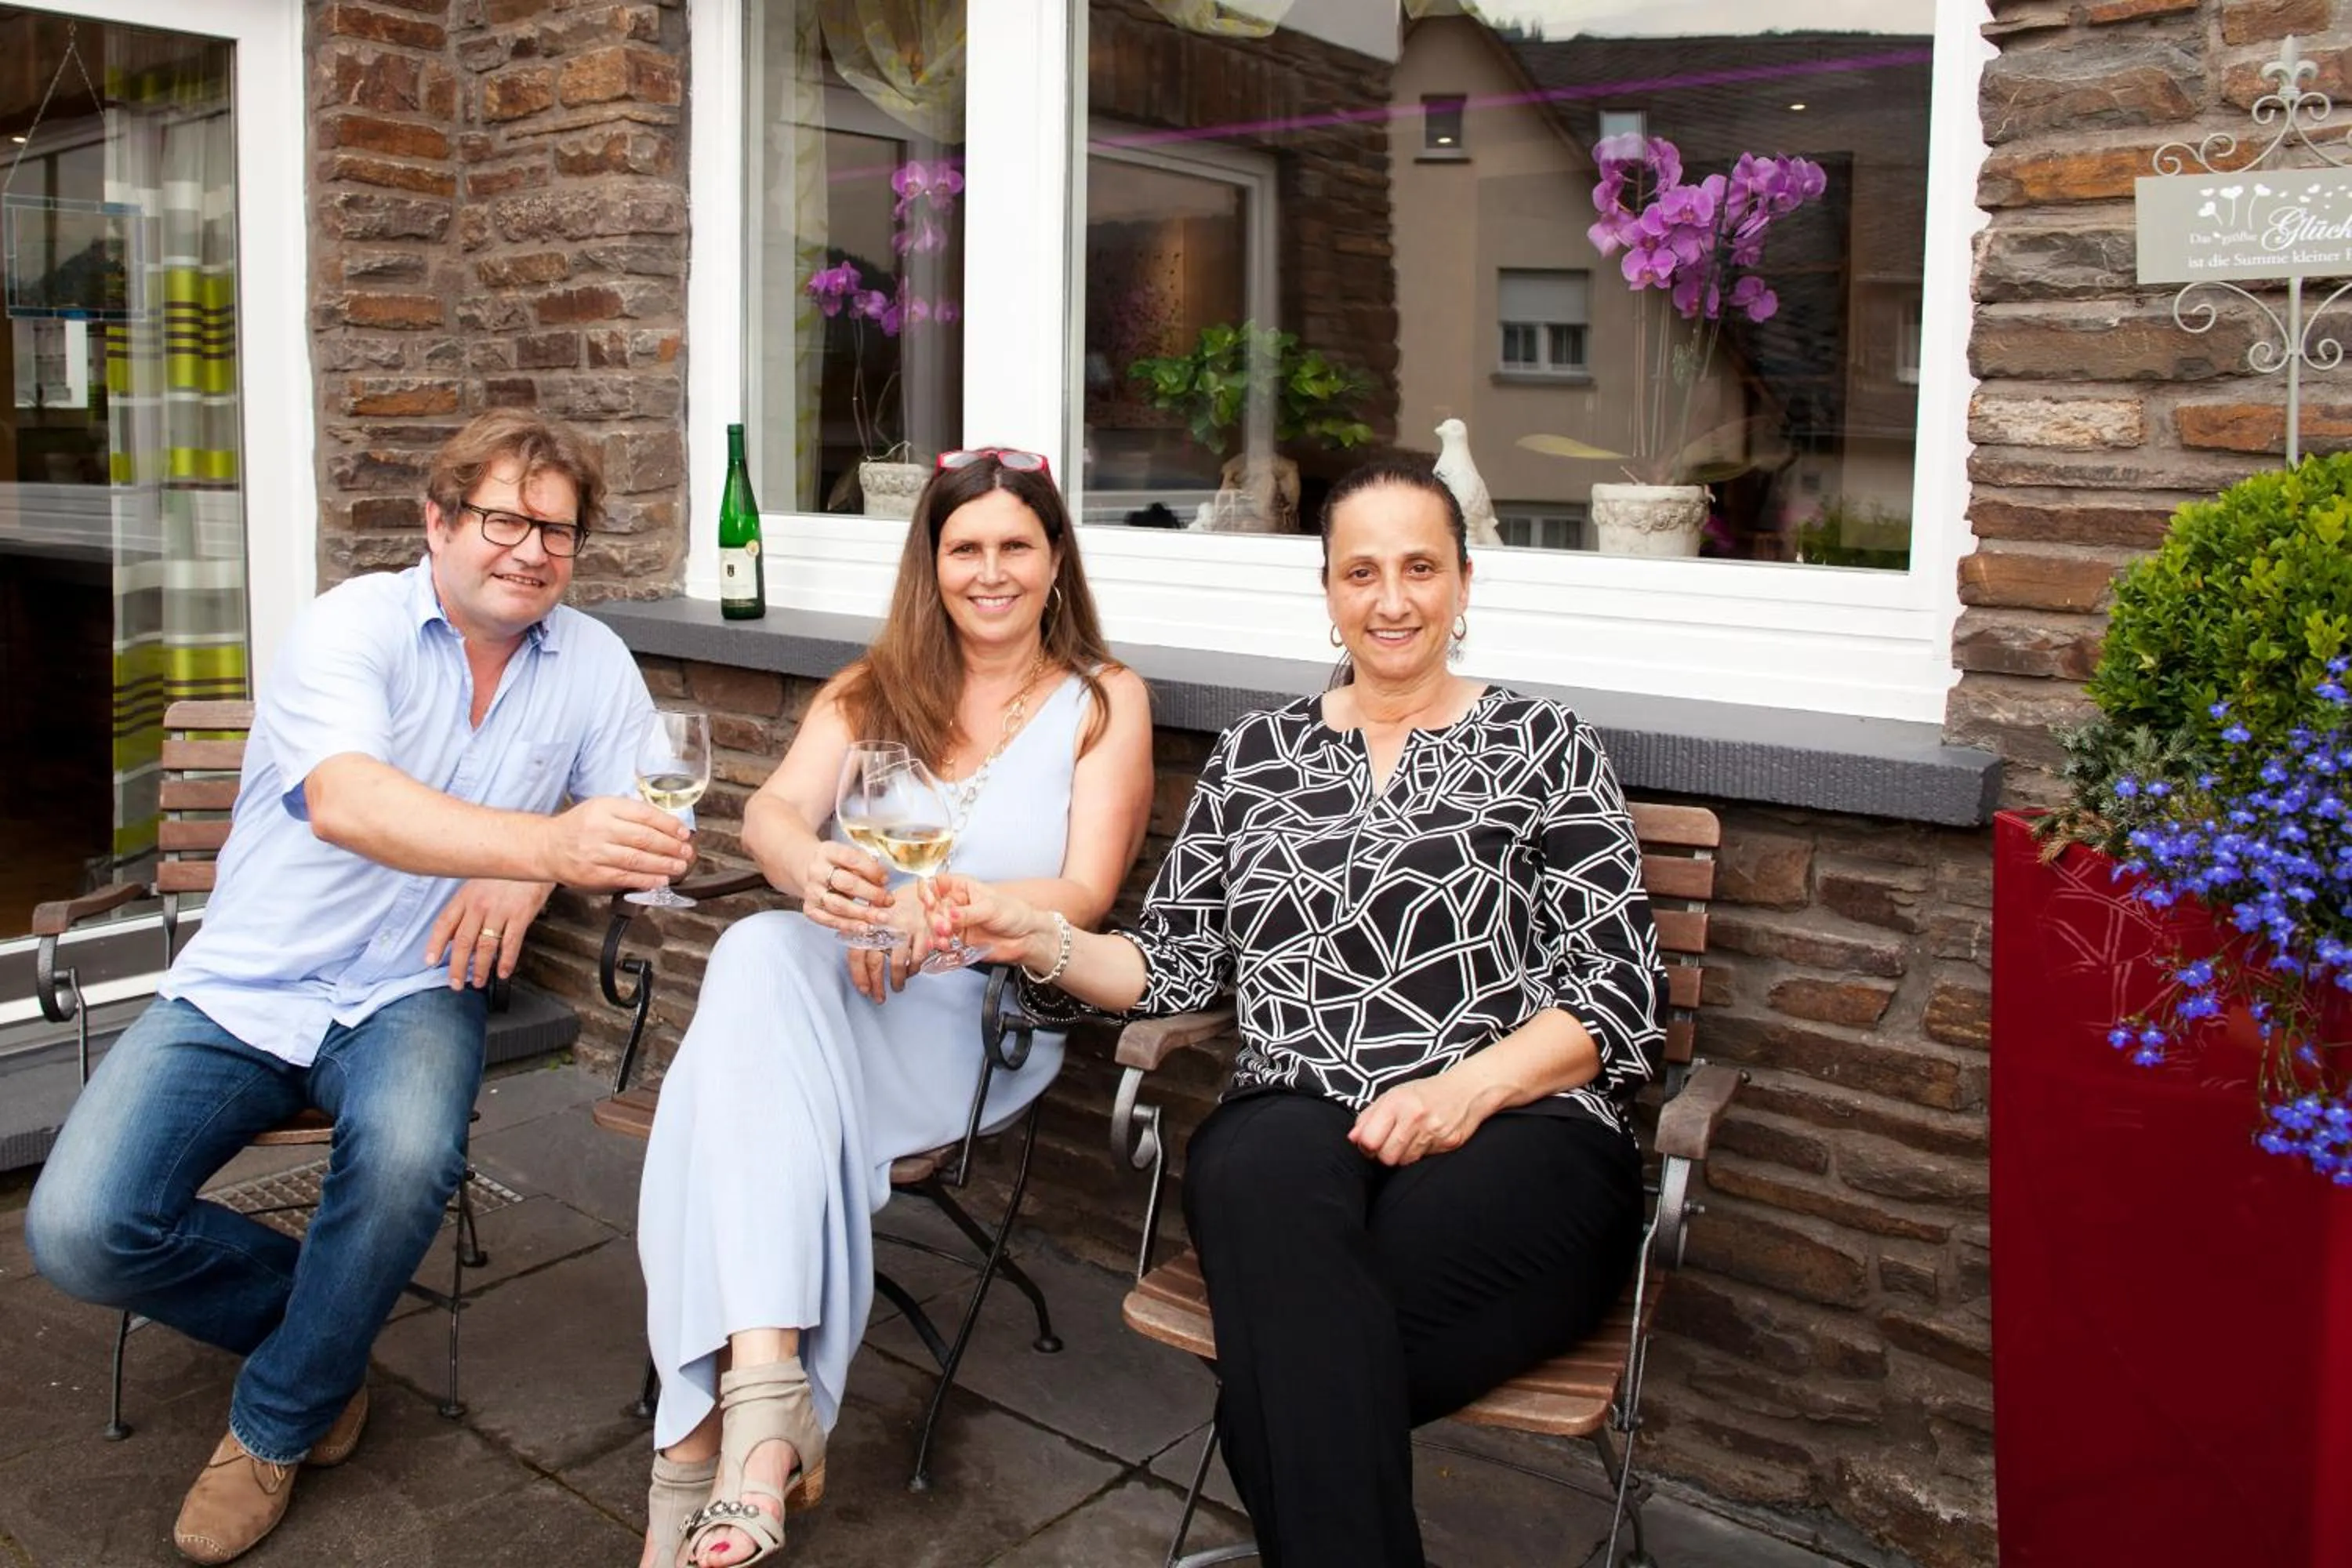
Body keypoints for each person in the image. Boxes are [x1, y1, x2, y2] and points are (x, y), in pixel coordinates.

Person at [931, 458, 1664, 1568]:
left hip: (1522, 1127)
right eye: (1361, 571)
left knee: (1284, 1373)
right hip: (1295, 1116)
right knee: (1264, 1188)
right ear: (1326, 589)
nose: (1392, 599)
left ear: (1465, 583)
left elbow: (1617, 996)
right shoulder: (1258, 755)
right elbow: (1174, 966)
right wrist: (1039, 936)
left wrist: (1462, 1090)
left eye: (1420, 567)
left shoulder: (1545, 743)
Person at [24, 410, 695, 1566]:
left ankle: (279, 1418)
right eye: (503, 519)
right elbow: (350, 801)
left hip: (416, 985)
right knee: (80, 1230)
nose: (532, 551)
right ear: (436, 522)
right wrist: (534, 850)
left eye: (558, 532)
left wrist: (530, 878)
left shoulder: (590, 661)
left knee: (403, 1159)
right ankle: (327, 1330)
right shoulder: (351, 628)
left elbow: (646, 826)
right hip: (252, 980)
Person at [633, 449, 1153, 1568]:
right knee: (767, 951)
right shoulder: (873, 688)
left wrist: (948, 909)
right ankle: (760, 1428)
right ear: (932, 562)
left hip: (973, 1017)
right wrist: (804, 873)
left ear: (1056, 559)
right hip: (832, 991)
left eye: (1017, 545)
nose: (991, 571)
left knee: (721, 1081)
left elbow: (1087, 891)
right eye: (965, 548)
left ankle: (693, 1441)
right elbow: (774, 815)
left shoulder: (1102, 701)